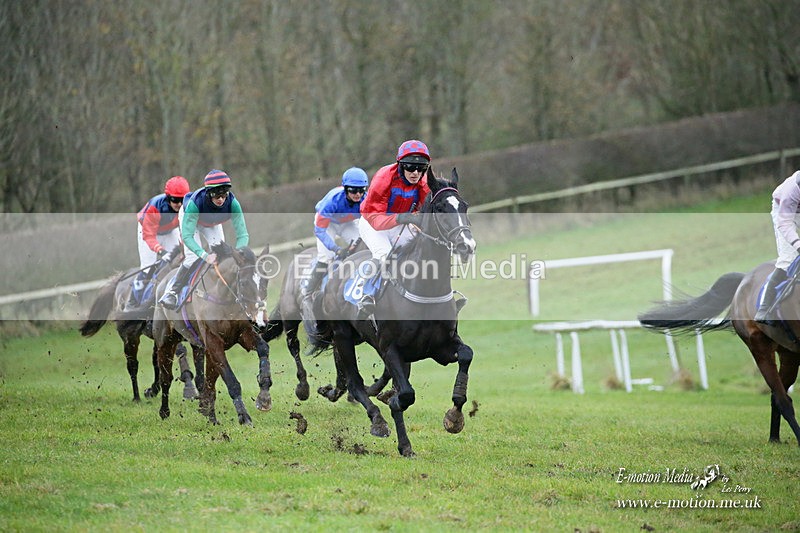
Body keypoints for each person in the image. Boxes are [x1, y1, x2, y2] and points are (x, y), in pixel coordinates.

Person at [356, 139, 431, 316]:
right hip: (371, 222)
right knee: (384, 254)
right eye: (411, 167)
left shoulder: (422, 181)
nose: (415, 173)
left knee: (421, 247)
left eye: (421, 168)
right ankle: (366, 294)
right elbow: (375, 218)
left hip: (400, 222)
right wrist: (402, 218)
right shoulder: (384, 178)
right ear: (400, 165)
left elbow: (424, 210)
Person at [159, 169, 250, 310]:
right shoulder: (195, 204)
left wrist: (239, 253)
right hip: (191, 221)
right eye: (216, 195)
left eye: (224, 194)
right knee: (192, 258)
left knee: (223, 256)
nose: (221, 199)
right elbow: (187, 237)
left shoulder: (233, 203)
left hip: (211, 223)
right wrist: (204, 255)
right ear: (208, 193)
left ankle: (225, 293)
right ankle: (171, 292)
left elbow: (243, 235)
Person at [302, 167, 369, 302]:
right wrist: (337, 249)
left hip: (348, 223)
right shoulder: (332, 201)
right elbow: (319, 231)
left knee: (363, 248)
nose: (358, 194)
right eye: (353, 190)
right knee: (326, 257)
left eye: (361, 190)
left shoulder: (366, 200)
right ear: (345, 189)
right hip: (328, 225)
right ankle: (308, 295)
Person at [126, 176, 190, 309]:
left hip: (170, 230)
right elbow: (149, 236)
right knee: (148, 266)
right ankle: (132, 303)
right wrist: (161, 251)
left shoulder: (188, 206)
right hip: (148, 231)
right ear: (167, 197)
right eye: (175, 200)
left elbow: (186, 231)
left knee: (182, 261)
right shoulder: (155, 206)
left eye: (182, 200)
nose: (179, 204)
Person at [755, 169, 800, 324]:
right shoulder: (792, 190)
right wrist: (798, 245)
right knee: (789, 258)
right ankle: (764, 308)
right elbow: (785, 223)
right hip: (784, 214)